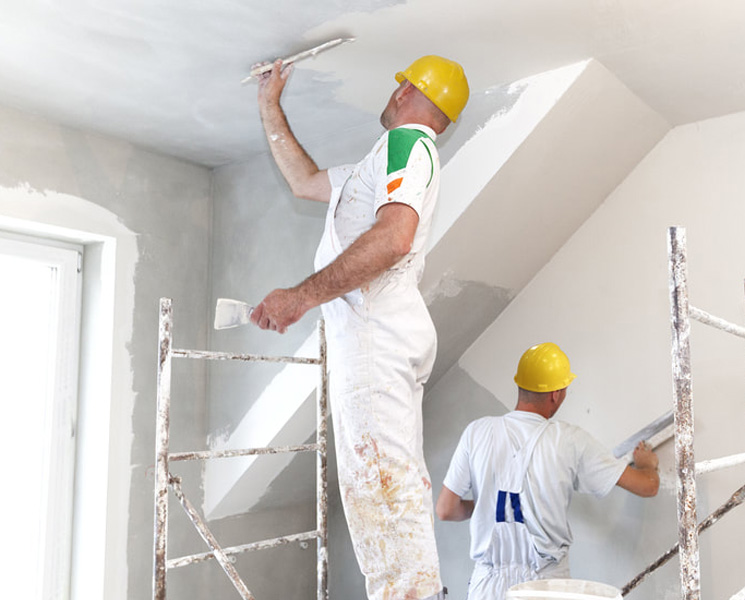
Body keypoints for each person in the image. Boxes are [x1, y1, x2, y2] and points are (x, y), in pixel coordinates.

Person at [249, 55, 469, 600]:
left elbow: (395, 238)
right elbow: (303, 181)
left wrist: (301, 296)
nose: (392, 96)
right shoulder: (377, 165)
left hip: (375, 338)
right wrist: (269, 105)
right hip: (379, 337)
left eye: (400, 89)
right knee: (389, 487)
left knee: (381, 491)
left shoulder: (409, 143)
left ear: (407, 94)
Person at [436, 342, 661, 599]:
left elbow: (446, 509)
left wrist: (489, 505)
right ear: (556, 394)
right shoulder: (570, 440)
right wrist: (646, 464)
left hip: (486, 586)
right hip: (544, 587)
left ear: (520, 386)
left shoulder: (476, 432)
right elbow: (647, 486)